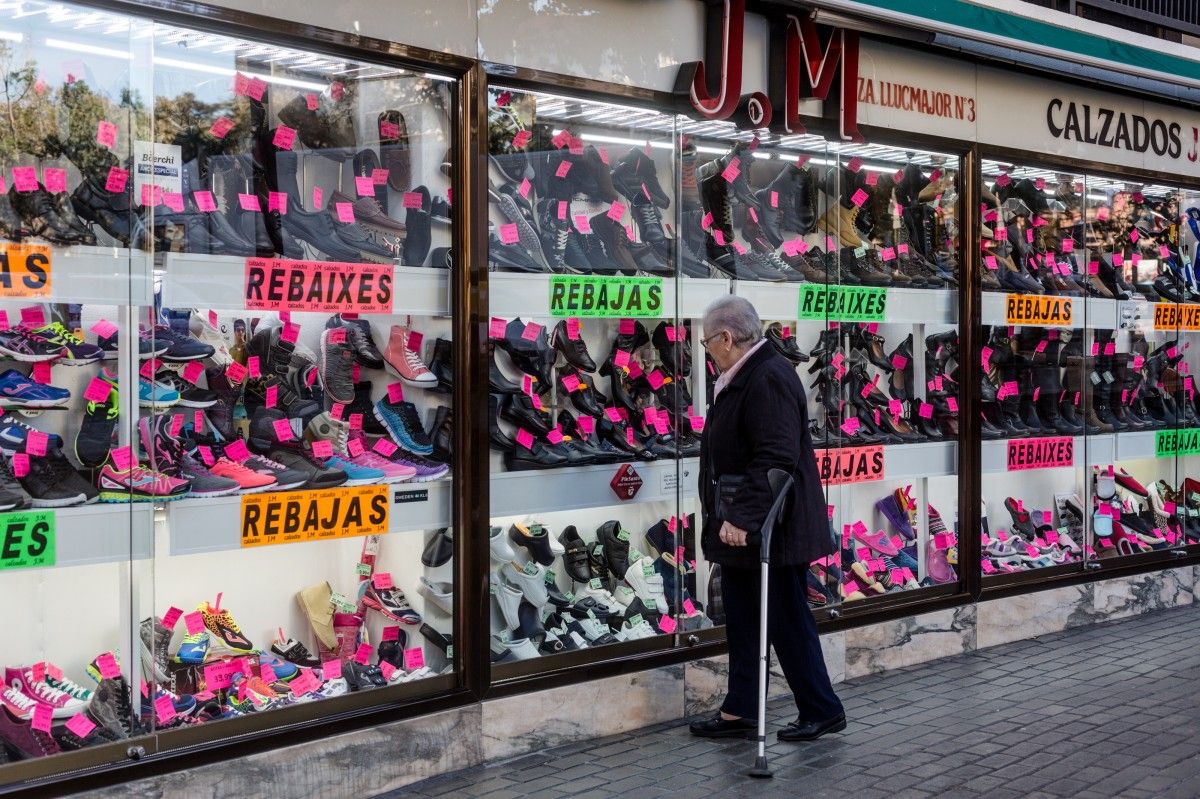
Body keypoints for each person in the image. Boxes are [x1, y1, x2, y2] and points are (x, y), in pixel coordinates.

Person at [688, 295, 845, 742]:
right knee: (742, 618)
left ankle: (821, 707)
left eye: (707, 342)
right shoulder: (746, 373)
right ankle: (742, 708)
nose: (706, 351)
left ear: (726, 337)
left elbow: (774, 459)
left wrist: (741, 518)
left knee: (785, 618)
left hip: (771, 528)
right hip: (749, 527)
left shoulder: (769, 377)